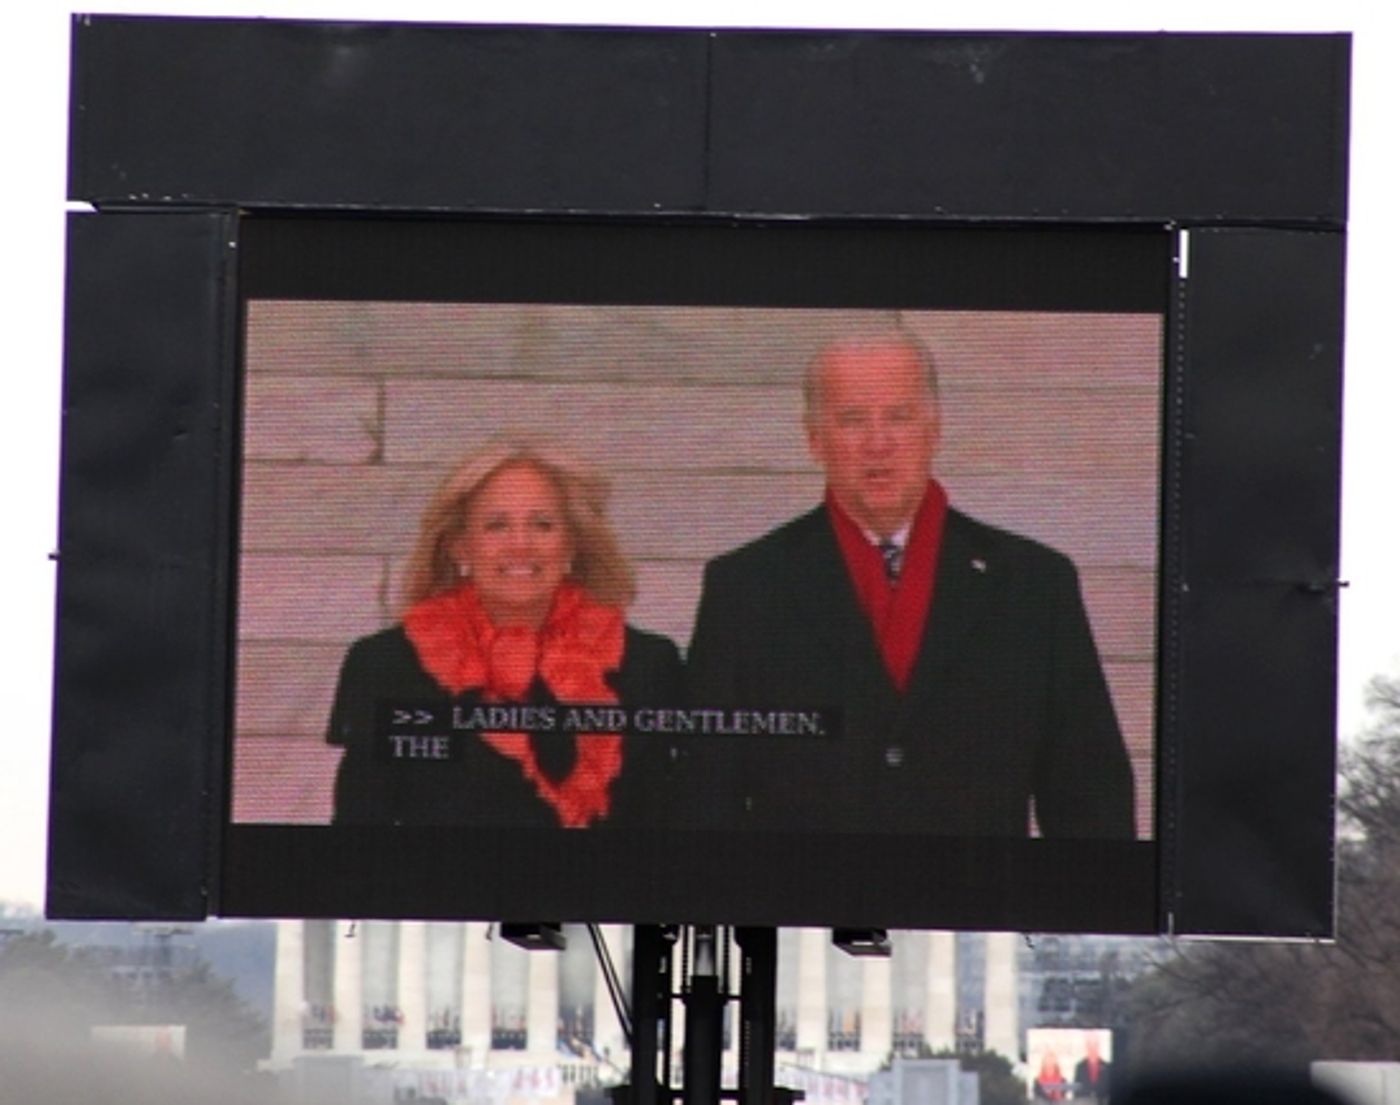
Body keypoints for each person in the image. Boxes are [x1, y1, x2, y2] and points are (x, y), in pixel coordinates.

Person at [684, 334, 1135, 837]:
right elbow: (704, 804)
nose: (879, 443)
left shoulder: (1034, 586)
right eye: (853, 420)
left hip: (979, 908)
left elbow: (1092, 804)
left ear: (934, 428)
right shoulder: (745, 588)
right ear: (814, 438)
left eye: (899, 416)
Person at [328, 439, 682, 827]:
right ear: (461, 547)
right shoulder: (384, 664)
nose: (520, 545)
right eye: (496, 526)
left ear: (573, 544)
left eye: (542, 525)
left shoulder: (649, 663)